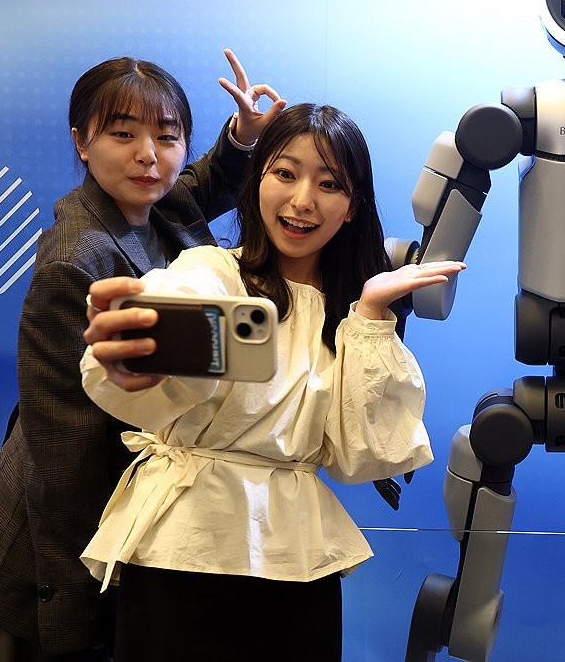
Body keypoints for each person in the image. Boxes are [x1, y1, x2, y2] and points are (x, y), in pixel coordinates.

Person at [78, 103, 464, 661]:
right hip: (183, 547)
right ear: (257, 181)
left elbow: (365, 454)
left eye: (329, 184)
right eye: (285, 172)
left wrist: (372, 312)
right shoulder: (212, 272)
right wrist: (141, 349)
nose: (303, 200)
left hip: (297, 559)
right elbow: (181, 316)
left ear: (352, 208)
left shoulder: (354, 318)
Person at [0, 50, 284, 661]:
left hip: (117, 524)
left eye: (167, 136)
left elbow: (207, 181)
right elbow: (63, 454)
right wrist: (76, 617)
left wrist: (243, 136)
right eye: (123, 135)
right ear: (82, 142)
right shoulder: (74, 261)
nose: (148, 156)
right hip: (33, 565)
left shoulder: (162, 206)